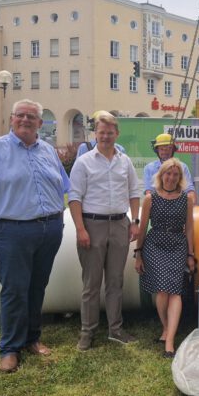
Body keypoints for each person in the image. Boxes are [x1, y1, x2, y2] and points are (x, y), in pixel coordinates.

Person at [0, 99, 69, 373]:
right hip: (12, 231)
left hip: (50, 229)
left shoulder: (49, 151)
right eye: (20, 115)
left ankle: (32, 338)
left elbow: (63, 187)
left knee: (37, 287)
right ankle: (9, 348)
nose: (25, 120)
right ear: (12, 119)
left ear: (40, 123)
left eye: (31, 116)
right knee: (14, 289)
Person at [69, 112, 141, 351]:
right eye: (102, 132)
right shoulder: (84, 162)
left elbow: (134, 193)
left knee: (115, 281)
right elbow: (75, 197)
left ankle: (115, 330)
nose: (106, 136)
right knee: (91, 283)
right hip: (92, 226)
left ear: (116, 134)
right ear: (96, 134)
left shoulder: (125, 161)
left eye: (110, 132)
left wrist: (135, 221)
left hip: (120, 225)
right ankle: (87, 332)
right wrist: (80, 229)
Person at [134, 158, 195, 357]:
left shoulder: (186, 199)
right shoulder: (150, 198)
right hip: (155, 245)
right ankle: (166, 327)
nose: (171, 177)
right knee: (162, 290)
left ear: (180, 177)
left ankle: (169, 341)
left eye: (175, 174)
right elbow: (143, 228)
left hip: (177, 245)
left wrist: (190, 254)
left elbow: (189, 229)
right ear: (161, 175)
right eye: (168, 173)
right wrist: (138, 253)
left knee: (175, 291)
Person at [143, 133, 195, 202]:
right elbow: (149, 192)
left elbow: (189, 190)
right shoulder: (149, 168)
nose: (165, 152)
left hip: (179, 205)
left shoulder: (183, 167)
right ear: (157, 150)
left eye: (168, 149)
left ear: (173, 150)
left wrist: (190, 203)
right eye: (162, 149)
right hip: (156, 206)